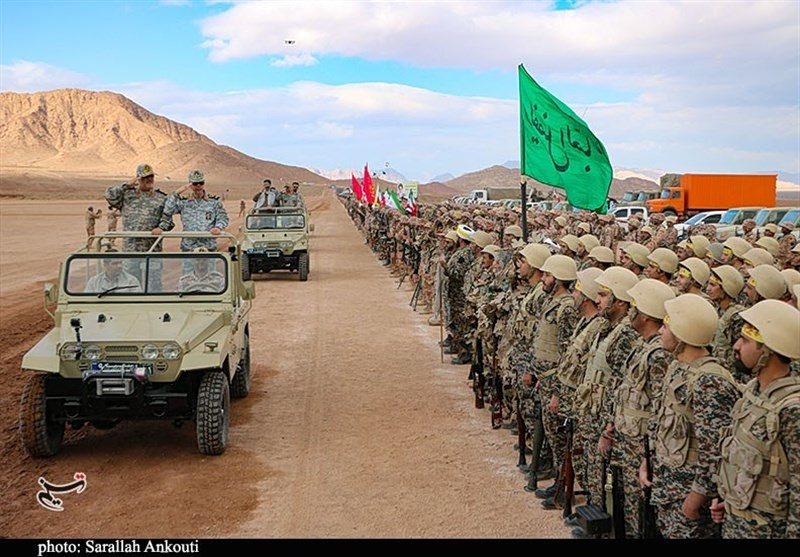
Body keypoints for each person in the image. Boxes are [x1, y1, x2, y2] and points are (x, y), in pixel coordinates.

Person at [711, 300, 800, 538]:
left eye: (745, 340)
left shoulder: (791, 411)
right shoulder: (753, 392)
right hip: (737, 523)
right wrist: (731, 501)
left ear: (767, 351)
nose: (736, 346)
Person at [105, 163, 174, 252]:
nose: (149, 179)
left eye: (151, 176)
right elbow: (109, 196)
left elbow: (168, 219)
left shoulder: (161, 198)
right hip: (131, 248)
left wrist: (161, 228)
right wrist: (126, 185)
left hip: (152, 248)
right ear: (138, 179)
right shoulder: (127, 195)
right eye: (146, 177)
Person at [163, 170, 229, 252]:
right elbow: (168, 210)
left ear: (204, 183)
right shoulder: (184, 202)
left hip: (208, 248)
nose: (198, 186)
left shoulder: (214, 202)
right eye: (195, 183)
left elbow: (223, 217)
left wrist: (218, 227)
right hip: (188, 248)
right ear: (190, 185)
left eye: (201, 183)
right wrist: (176, 193)